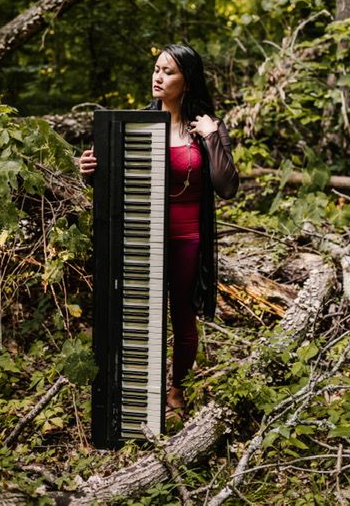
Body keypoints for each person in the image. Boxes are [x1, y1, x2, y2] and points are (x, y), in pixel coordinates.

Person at [79, 43, 239, 423]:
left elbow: (227, 186)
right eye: (156, 69)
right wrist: (90, 171)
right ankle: (135, 394)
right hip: (142, 235)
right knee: (137, 316)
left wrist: (211, 136)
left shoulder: (207, 127)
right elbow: (114, 182)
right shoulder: (136, 124)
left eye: (169, 72)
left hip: (188, 239)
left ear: (187, 80)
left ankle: (176, 390)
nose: (158, 77)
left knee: (182, 319)